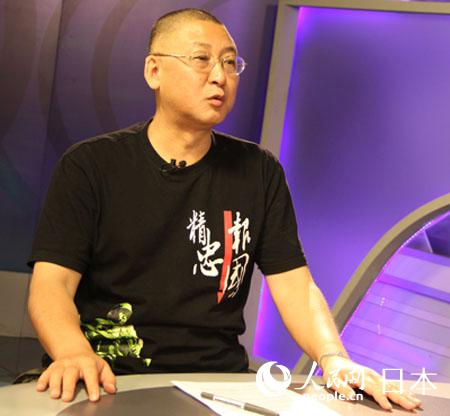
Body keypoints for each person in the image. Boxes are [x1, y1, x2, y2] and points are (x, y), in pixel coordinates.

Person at [27, 8, 421, 411]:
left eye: (230, 63)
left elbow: (296, 287)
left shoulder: (259, 171)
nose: (220, 76)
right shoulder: (91, 166)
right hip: (110, 378)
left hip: (216, 383)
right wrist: (72, 352)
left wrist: (333, 358)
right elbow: (52, 285)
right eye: (202, 59)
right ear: (154, 71)